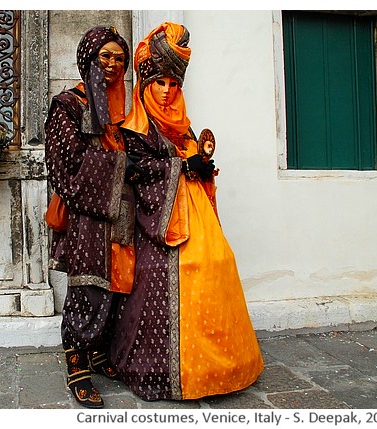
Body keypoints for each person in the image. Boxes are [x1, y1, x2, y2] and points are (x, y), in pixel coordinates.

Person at [109, 22, 264, 401]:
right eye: (159, 83)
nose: (166, 91)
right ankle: (162, 371)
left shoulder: (186, 126)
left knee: (218, 261)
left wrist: (202, 165)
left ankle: (223, 366)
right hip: (157, 226)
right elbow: (135, 170)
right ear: (146, 86)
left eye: (172, 84)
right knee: (161, 273)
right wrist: (180, 167)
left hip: (197, 217)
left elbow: (196, 162)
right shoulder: (133, 130)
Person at [44, 26, 142, 408]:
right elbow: (65, 164)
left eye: (119, 58)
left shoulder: (127, 109)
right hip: (88, 216)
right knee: (88, 290)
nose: (113, 64)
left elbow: (143, 149)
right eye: (105, 56)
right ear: (89, 58)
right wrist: (121, 164)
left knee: (119, 287)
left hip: (122, 215)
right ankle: (77, 368)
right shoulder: (68, 104)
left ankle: (100, 355)